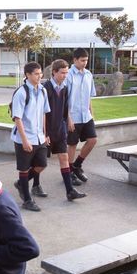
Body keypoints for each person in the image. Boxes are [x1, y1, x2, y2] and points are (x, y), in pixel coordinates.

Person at [43, 59, 86, 201]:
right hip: (46, 131)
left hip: (60, 130)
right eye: (62, 73)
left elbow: (65, 109)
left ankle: (70, 191)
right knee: (39, 163)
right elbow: (41, 113)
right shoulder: (45, 88)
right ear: (54, 72)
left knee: (64, 158)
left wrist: (67, 121)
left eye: (66, 73)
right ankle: (29, 183)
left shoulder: (65, 88)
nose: (65, 76)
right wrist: (44, 133)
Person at [11, 61, 51, 212]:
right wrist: (25, 140)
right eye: (36, 73)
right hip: (24, 137)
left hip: (39, 137)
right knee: (23, 169)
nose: (39, 76)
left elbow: (44, 114)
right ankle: (27, 200)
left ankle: (22, 184)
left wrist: (45, 134)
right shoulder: (21, 93)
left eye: (40, 73)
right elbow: (17, 118)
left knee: (41, 165)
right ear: (27, 75)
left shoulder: (42, 91)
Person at [66, 48, 98, 185]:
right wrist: (68, 118)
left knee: (92, 140)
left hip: (86, 116)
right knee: (72, 145)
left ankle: (76, 166)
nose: (85, 63)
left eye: (86, 60)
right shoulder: (68, 76)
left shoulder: (88, 75)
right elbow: (64, 100)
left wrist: (92, 114)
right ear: (75, 60)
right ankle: (68, 173)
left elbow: (89, 97)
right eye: (82, 60)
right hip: (72, 116)